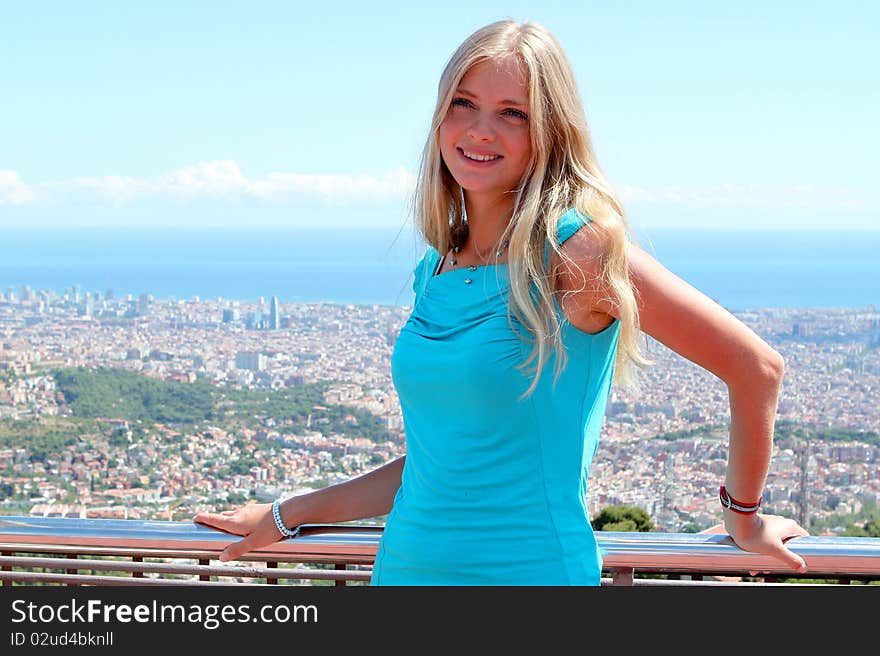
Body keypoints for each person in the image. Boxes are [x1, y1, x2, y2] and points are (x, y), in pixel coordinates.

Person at [194, 19, 809, 584]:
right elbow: (442, 462)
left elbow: (756, 368)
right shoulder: (435, 268)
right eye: (464, 103)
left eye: (512, 113)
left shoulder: (580, 251)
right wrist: (287, 513)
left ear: (549, 132)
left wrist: (744, 517)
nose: (480, 130)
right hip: (406, 572)